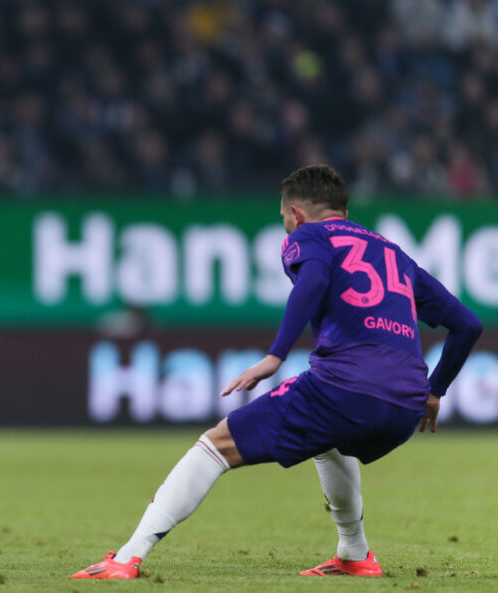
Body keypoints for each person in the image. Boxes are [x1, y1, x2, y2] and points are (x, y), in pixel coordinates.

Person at [72, 164, 482, 579]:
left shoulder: (311, 235)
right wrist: (434, 392)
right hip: (405, 406)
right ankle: (355, 555)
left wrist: (276, 356)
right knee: (329, 440)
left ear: (297, 214)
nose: (286, 229)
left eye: (284, 218)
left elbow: (315, 277)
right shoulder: (394, 253)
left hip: (345, 387)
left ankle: (125, 558)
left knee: (215, 446)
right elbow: (468, 324)